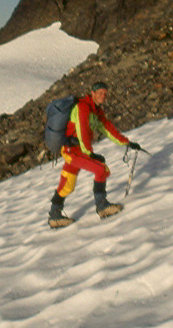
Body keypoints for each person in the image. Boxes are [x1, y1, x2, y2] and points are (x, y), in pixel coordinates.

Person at [48, 81, 141, 228]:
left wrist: (126, 142)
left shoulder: (96, 110)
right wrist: (89, 153)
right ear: (92, 93)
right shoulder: (83, 107)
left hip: (75, 150)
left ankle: (54, 216)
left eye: (105, 94)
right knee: (101, 169)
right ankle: (102, 206)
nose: (103, 97)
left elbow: (107, 128)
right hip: (73, 150)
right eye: (100, 93)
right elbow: (82, 130)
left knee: (67, 184)